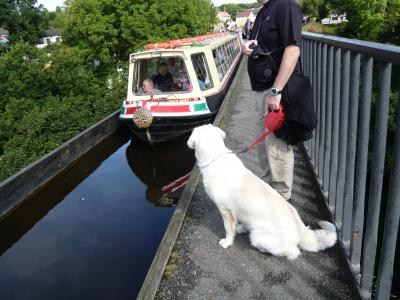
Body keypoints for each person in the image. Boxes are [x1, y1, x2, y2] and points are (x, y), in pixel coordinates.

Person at [243, 0, 302, 202]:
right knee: (263, 142)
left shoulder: (286, 6)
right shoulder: (263, 11)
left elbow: (292, 50)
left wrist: (276, 91)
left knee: (277, 144)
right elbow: (266, 46)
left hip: (273, 88)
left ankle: (282, 197)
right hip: (260, 87)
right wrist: (250, 48)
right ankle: (268, 186)